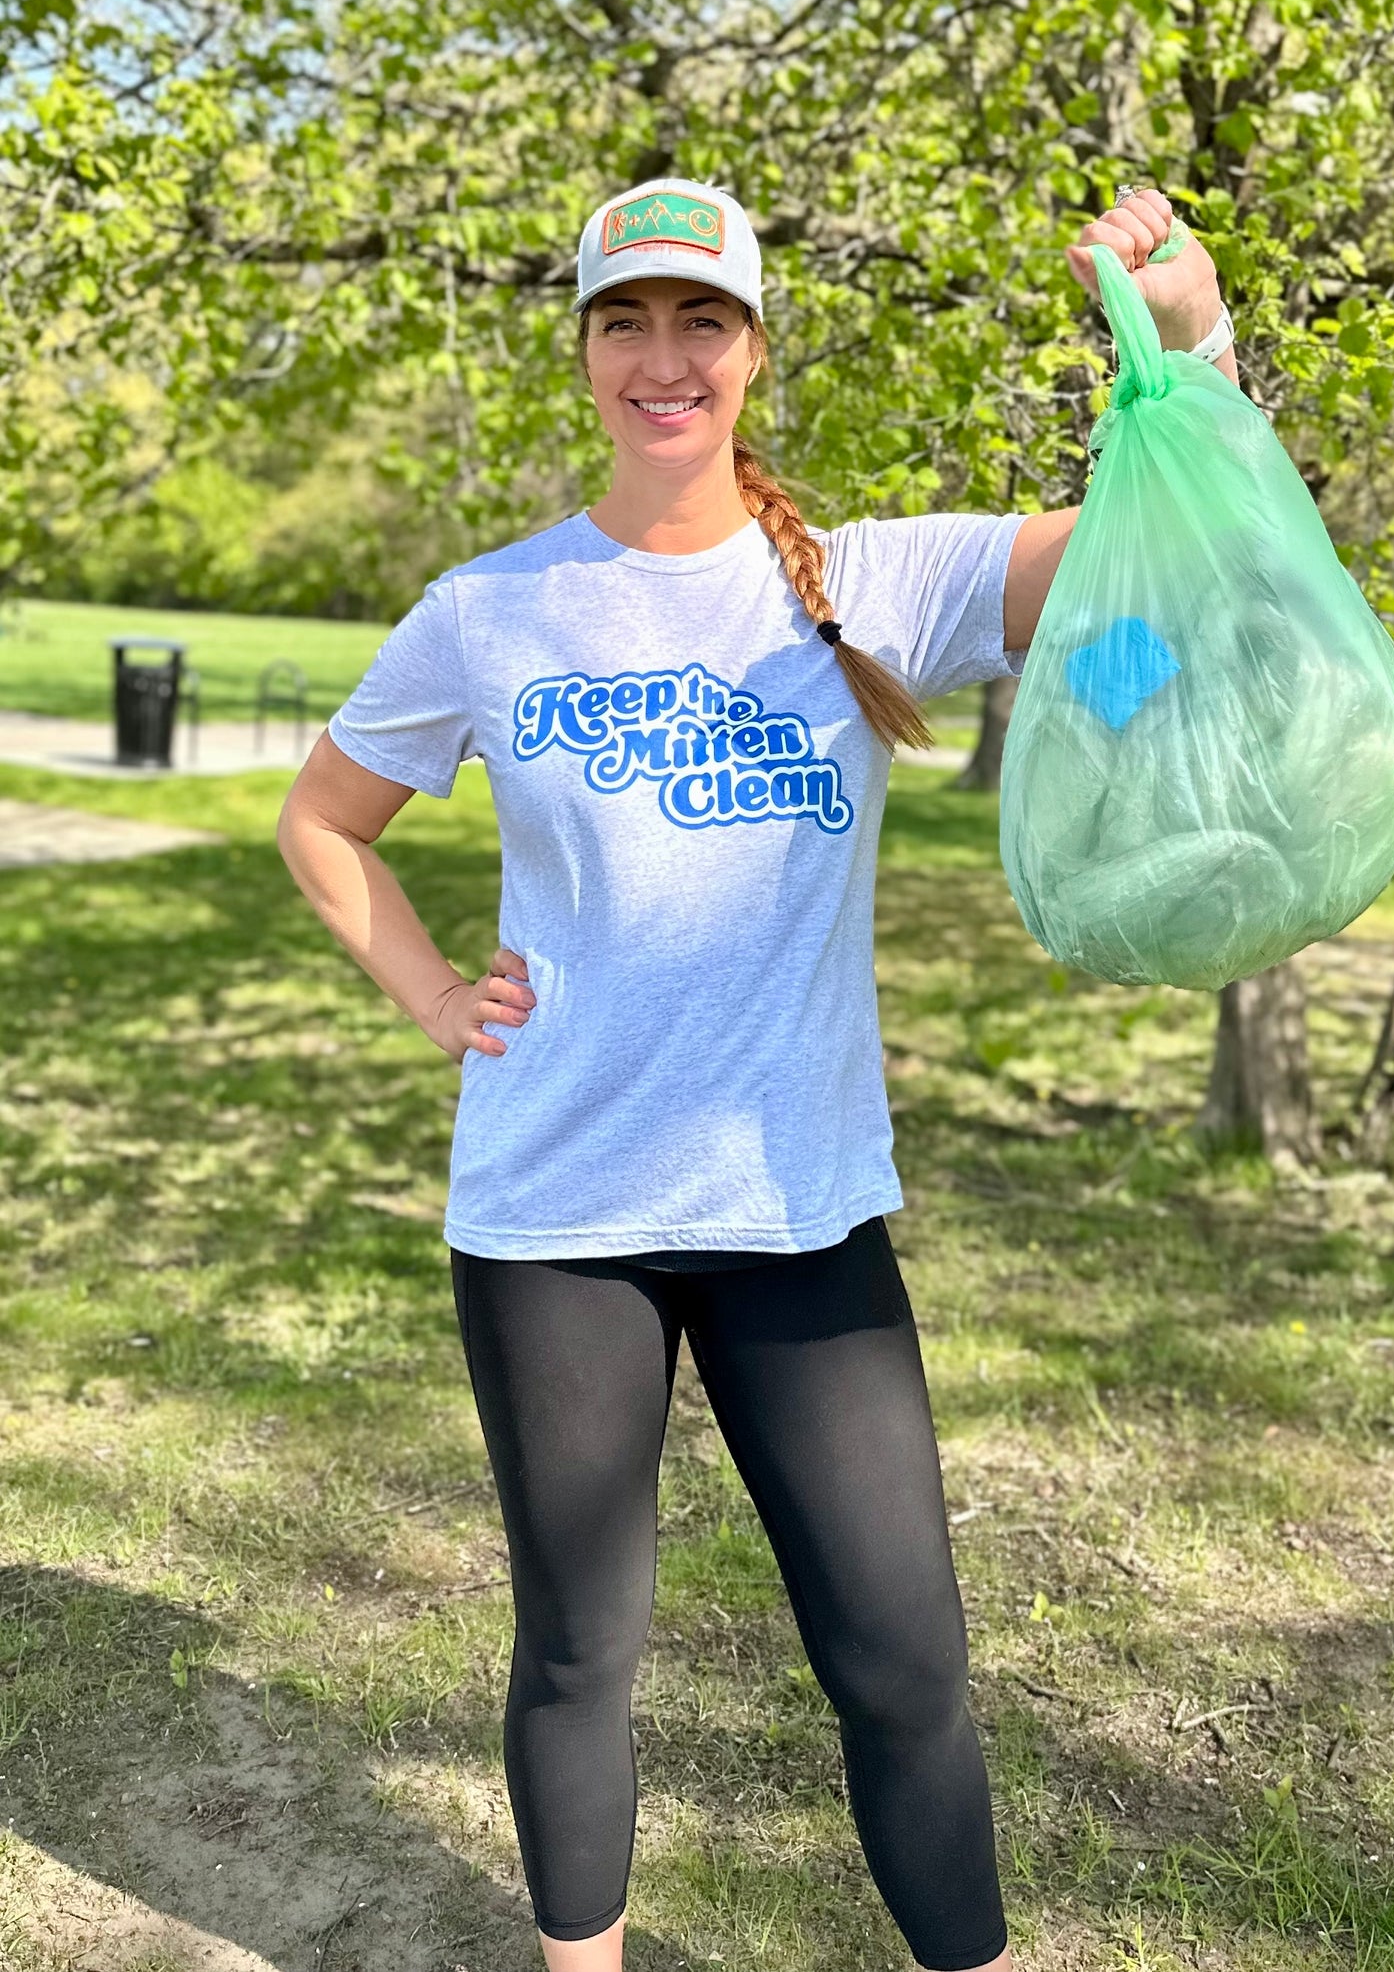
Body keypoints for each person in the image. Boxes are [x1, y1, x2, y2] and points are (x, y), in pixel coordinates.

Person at [277, 177, 1234, 1971]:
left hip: (797, 1207)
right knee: (579, 1652)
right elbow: (325, 821)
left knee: (903, 1660)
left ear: (752, 351)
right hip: (554, 1216)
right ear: (581, 352)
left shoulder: (870, 580)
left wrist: (1188, 333)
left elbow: (1176, 527)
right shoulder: (489, 613)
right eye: (624, 322)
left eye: (698, 322)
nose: (663, 359)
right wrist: (425, 994)